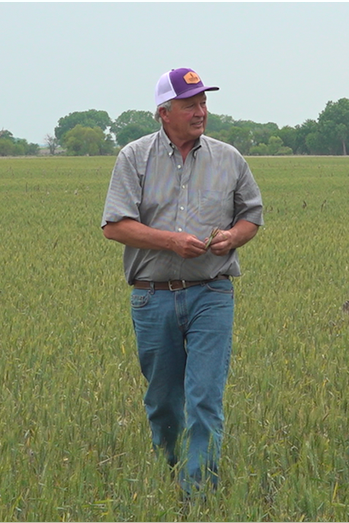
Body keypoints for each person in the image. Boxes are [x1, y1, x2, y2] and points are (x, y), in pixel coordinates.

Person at [101, 67, 264, 497]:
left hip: (212, 292)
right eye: (190, 104)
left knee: (205, 397)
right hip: (152, 297)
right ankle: (167, 470)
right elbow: (115, 226)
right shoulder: (134, 158)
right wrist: (171, 242)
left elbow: (252, 216)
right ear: (163, 112)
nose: (200, 111)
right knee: (164, 402)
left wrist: (233, 236)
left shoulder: (229, 158)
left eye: (204, 103)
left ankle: (197, 494)